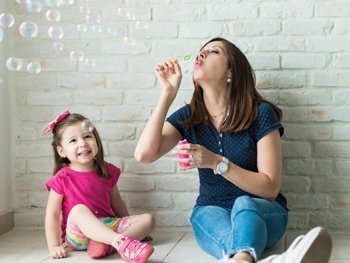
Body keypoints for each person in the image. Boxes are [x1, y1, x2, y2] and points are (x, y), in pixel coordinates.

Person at [134, 37, 332, 263]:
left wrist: (216, 162)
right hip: (211, 210)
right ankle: (258, 259)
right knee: (214, 224)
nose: (201, 55)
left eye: (213, 51)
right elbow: (144, 155)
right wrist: (167, 93)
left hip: (262, 211)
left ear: (231, 72)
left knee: (243, 204)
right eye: (200, 52)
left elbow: (269, 188)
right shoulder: (189, 117)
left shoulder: (260, 114)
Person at [44, 111, 155, 263]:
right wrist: (54, 245)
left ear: (96, 140)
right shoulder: (62, 178)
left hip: (107, 225)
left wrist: (134, 227)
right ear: (61, 151)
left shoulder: (107, 171)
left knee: (148, 220)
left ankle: (106, 245)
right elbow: (52, 214)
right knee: (78, 210)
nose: (82, 143)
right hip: (79, 235)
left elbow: (117, 203)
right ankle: (121, 242)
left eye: (87, 137)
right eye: (73, 141)